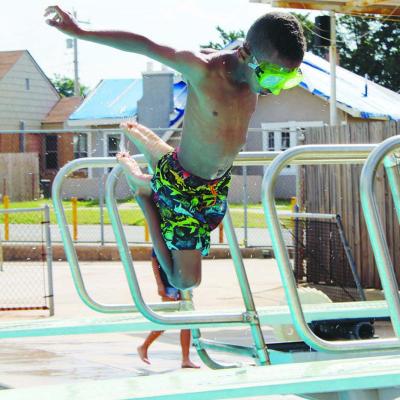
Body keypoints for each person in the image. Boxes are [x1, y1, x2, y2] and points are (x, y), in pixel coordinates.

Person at [45, 6, 306, 290]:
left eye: (287, 80)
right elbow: (145, 45)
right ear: (245, 54)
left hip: (216, 185)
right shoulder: (204, 70)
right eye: (272, 77)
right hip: (183, 186)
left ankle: (154, 164)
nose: (277, 89)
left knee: (205, 225)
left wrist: (270, 78)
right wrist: (80, 32)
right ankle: (145, 193)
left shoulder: (253, 80)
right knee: (184, 280)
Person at [137, 249, 199, 369]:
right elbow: (154, 260)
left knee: (186, 321)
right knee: (166, 321)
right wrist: (159, 284)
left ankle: (186, 359)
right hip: (168, 286)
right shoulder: (165, 234)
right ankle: (144, 346)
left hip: (185, 283)